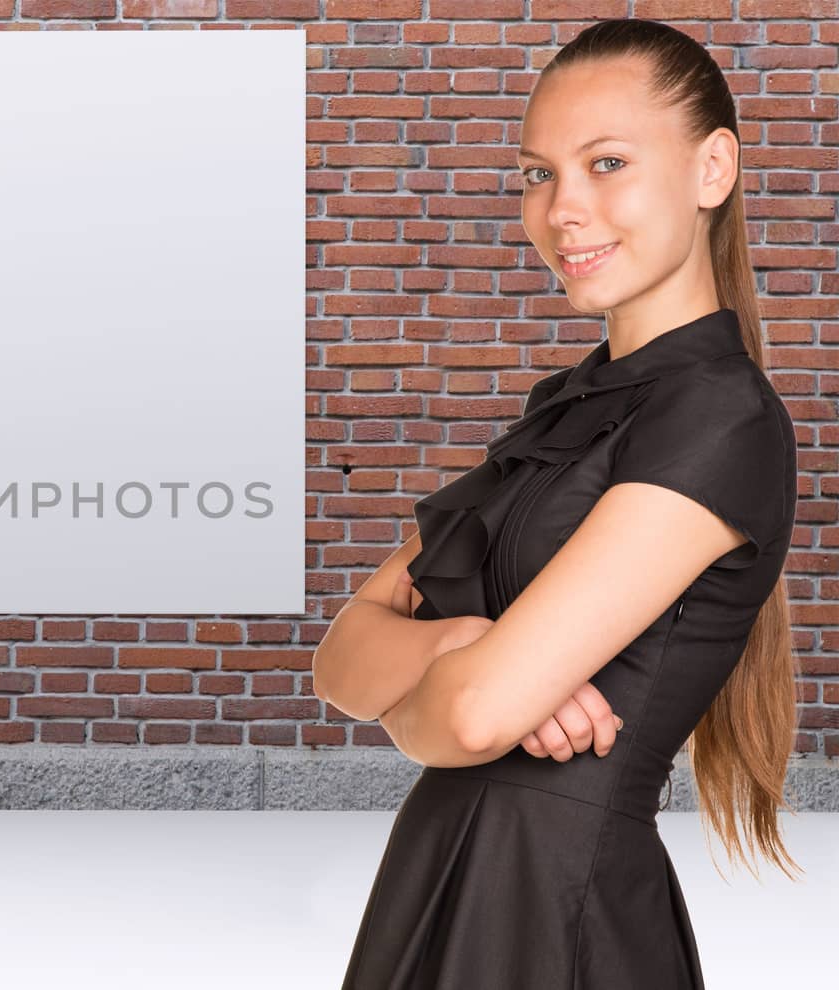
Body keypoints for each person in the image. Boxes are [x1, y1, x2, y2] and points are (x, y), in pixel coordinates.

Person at [313, 18, 802, 988]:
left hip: (553, 906)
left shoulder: (718, 421)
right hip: (450, 872)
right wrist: (454, 651)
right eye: (538, 174)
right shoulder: (568, 406)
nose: (562, 209)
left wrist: (461, 692)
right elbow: (340, 656)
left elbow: (475, 720)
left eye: (606, 162)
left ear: (712, 169)